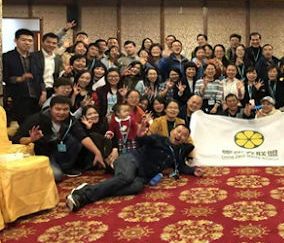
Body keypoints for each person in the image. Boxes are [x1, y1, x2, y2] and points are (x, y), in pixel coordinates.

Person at [66, 124, 204, 212]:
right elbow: (143, 141)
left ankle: (88, 188)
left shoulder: (179, 151)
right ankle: (82, 196)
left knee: (136, 187)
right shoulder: (157, 139)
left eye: (184, 135)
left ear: (186, 139)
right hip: (131, 160)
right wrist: (139, 135)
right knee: (126, 177)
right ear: (172, 131)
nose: (179, 135)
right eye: (178, 131)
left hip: (142, 175)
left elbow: (180, 166)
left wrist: (193, 171)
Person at [12, 96, 105, 181]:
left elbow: (82, 136)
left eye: (65, 109)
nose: (61, 113)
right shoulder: (36, 119)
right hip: (43, 153)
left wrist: (97, 152)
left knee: (76, 139)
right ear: (50, 109)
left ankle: (66, 167)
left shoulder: (71, 120)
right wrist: (31, 139)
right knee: (56, 175)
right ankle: (55, 168)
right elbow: (16, 139)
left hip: (58, 149)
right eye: (58, 109)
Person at [3, 29, 45, 125]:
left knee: (36, 123)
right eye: (23, 40)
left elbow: (40, 76)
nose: (27, 43)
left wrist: (43, 92)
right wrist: (19, 79)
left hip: (36, 96)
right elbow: (4, 77)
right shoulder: (7, 57)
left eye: (30, 41)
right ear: (16, 41)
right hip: (19, 97)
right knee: (23, 124)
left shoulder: (35, 57)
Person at [32, 32, 62, 98]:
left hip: (52, 90)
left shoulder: (57, 58)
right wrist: (43, 91)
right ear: (42, 42)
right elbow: (36, 75)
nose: (51, 45)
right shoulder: (34, 56)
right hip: (37, 90)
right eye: (48, 42)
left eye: (54, 43)